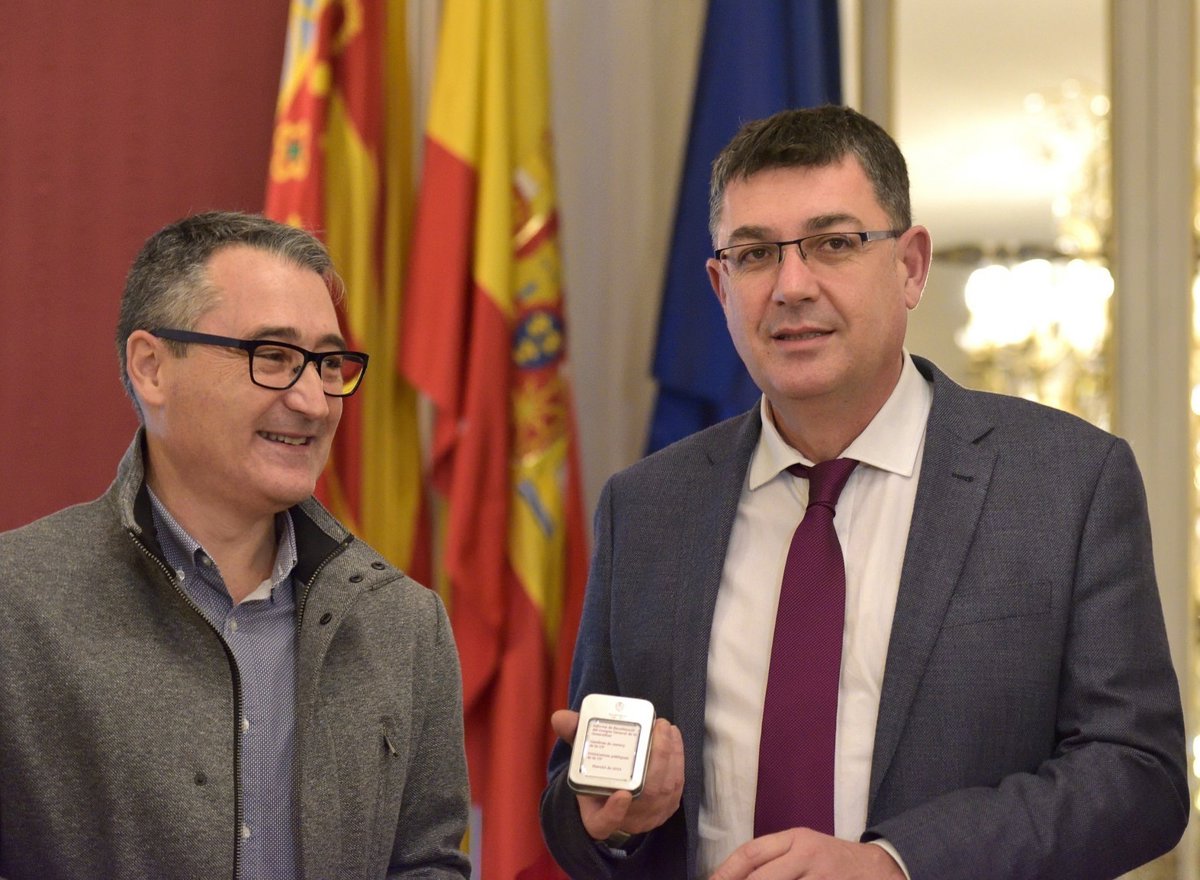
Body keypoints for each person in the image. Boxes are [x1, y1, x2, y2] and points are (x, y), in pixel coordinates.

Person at [540, 106, 1188, 880]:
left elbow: (1136, 779)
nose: (791, 286)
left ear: (911, 267)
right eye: (754, 254)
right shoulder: (646, 508)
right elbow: (580, 795)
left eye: (834, 244)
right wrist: (612, 815)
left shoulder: (1065, 483)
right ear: (720, 286)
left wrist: (896, 863)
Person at [0, 211, 471, 880]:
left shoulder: (404, 623)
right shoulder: (17, 606)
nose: (314, 402)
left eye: (327, 364)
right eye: (272, 357)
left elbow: (428, 863)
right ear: (152, 367)